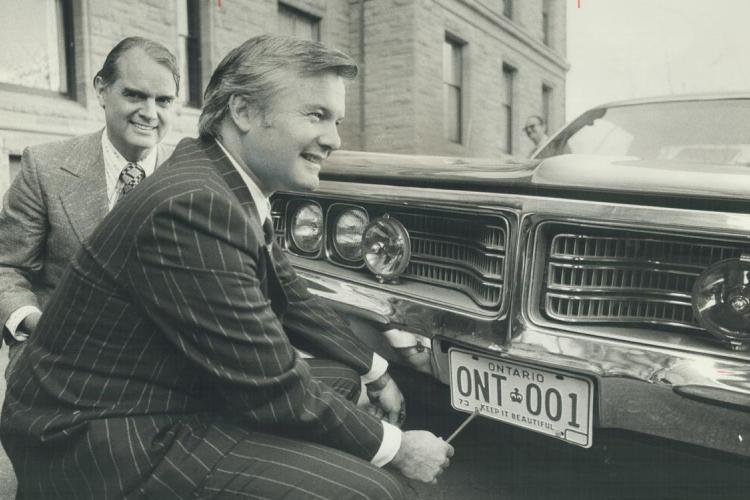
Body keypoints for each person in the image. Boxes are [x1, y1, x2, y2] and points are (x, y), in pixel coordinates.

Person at [1, 34, 453, 499]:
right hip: (101, 436)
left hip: (157, 390)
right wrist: (396, 447)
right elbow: (272, 384)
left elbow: (290, 295)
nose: (334, 139)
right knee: (379, 491)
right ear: (243, 111)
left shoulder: (219, 179)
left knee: (339, 382)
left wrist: (373, 368)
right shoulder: (196, 204)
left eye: (336, 120)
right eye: (315, 115)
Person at [0, 36, 178, 364]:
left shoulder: (189, 177)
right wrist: (34, 322)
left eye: (163, 100)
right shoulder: (45, 167)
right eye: (134, 95)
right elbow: (7, 266)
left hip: (160, 374)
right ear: (101, 90)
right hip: (58, 360)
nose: (150, 113)